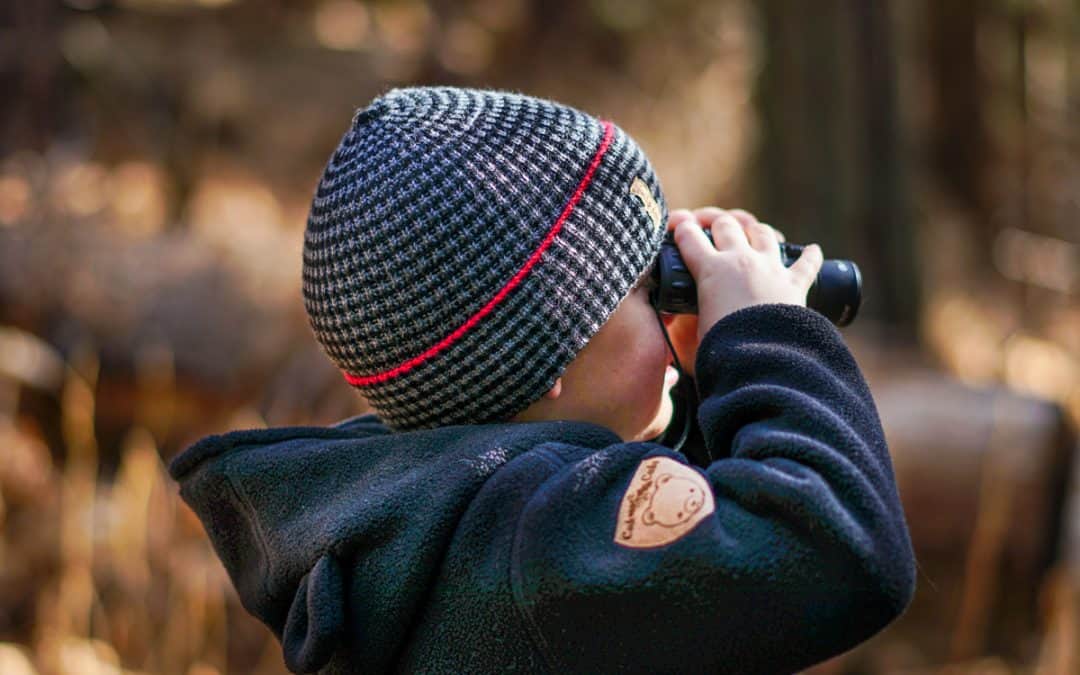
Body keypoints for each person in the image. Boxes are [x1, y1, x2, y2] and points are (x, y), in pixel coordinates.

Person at [169, 87, 915, 674]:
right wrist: (766, 338)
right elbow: (841, 551)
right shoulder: (535, 544)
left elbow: (686, 549)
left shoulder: (434, 515)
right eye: (651, 289)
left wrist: (694, 381)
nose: (674, 308)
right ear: (541, 351)